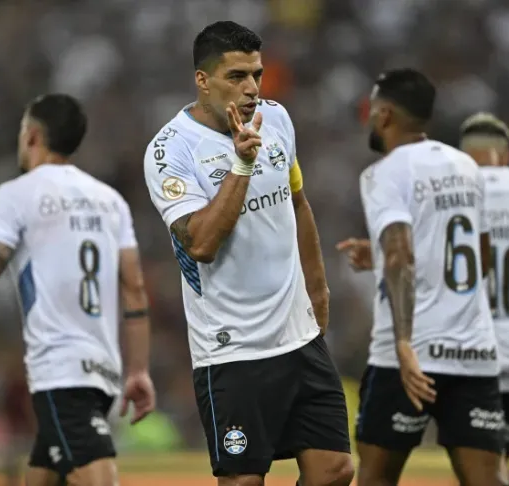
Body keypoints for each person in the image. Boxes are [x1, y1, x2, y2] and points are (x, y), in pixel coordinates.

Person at [143, 21, 353, 486]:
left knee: (336, 471)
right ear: (203, 80)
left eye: (256, 74)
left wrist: (317, 293)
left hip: (298, 337)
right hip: (232, 350)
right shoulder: (170, 151)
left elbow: (297, 204)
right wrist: (242, 163)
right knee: (243, 482)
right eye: (237, 76)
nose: (252, 88)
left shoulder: (276, 119)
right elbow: (200, 243)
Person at [0, 93, 155, 486]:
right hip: (103, 371)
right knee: (42, 474)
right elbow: (136, 291)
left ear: (33, 136)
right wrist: (139, 370)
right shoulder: (112, 202)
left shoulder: (15, 196)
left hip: (61, 372)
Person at [337, 69, 504, 486]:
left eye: (372, 111)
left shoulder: (383, 173)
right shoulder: (465, 165)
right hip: (473, 353)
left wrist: (406, 344)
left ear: (386, 114)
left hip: (409, 359)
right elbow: (478, 259)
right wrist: (378, 256)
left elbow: (400, 256)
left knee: (376, 479)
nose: (369, 120)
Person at [459, 112, 509, 483]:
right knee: (499, 462)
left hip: (475, 353)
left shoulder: (459, 187)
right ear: (504, 156)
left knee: (481, 469)